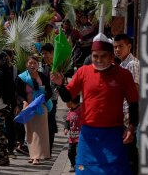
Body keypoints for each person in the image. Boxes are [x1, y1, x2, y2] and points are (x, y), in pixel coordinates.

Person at [50, 33, 139, 174]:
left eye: (103, 56)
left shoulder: (124, 75)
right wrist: (60, 84)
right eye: (95, 56)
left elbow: (134, 102)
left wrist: (132, 127)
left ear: (111, 57)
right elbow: (69, 97)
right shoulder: (83, 72)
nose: (99, 60)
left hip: (114, 134)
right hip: (88, 134)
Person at [16, 55, 52, 165]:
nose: (32, 65)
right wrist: (24, 102)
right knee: (30, 132)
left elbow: (49, 92)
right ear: (27, 64)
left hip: (41, 107)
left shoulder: (43, 76)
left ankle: (37, 156)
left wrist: (42, 100)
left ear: (38, 65)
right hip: (28, 108)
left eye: (35, 63)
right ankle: (32, 155)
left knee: (40, 132)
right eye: (30, 63)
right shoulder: (21, 78)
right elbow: (18, 93)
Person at [114, 33, 140, 175]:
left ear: (129, 46)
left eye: (120, 47)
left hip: (129, 115)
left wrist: (130, 120)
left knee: (130, 155)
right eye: (115, 47)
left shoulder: (132, 64)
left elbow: (134, 94)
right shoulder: (122, 64)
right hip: (123, 114)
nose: (117, 50)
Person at [41, 43, 59, 155]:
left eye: (46, 53)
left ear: (52, 53)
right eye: (42, 54)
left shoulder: (56, 66)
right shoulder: (45, 67)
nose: (44, 56)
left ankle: (48, 150)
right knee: (45, 124)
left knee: (49, 124)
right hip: (42, 99)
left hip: (51, 100)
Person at [64, 95, 81, 172]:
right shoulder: (70, 111)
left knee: (78, 152)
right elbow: (67, 121)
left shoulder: (81, 110)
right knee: (70, 153)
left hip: (80, 137)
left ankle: (79, 166)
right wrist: (66, 128)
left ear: (70, 102)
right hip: (72, 138)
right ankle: (73, 164)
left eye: (67, 101)